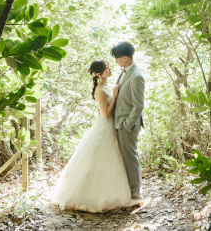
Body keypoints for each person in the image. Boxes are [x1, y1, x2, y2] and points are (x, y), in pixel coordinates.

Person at [53, 59, 132, 212]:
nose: (109, 69)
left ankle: (108, 193)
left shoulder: (106, 86)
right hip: (105, 126)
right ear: (98, 74)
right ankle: (88, 197)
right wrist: (115, 96)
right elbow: (105, 114)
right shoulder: (100, 90)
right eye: (106, 68)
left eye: (109, 67)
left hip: (110, 126)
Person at [111, 41, 145, 203]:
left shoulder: (136, 76)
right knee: (124, 156)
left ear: (125, 57)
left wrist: (127, 124)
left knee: (130, 157)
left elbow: (138, 106)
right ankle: (127, 189)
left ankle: (135, 191)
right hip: (119, 121)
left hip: (128, 124)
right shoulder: (124, 73)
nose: (116, 61)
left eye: (117, 58)